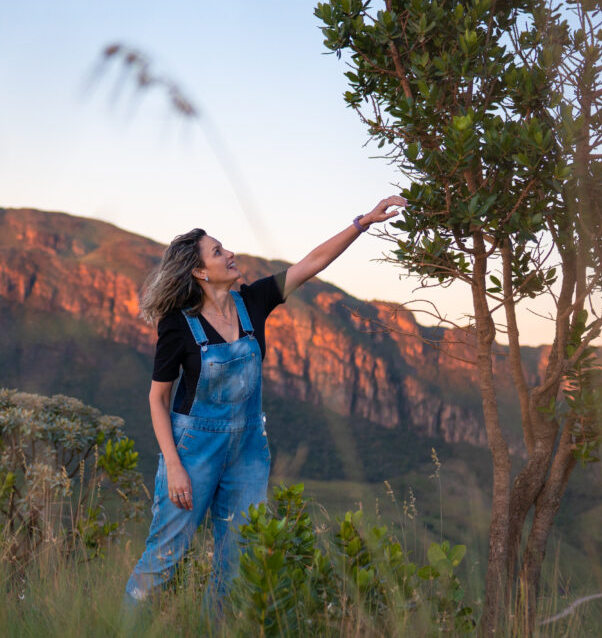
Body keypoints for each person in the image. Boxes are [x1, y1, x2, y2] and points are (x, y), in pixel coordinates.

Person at [124, 196, 407, 614]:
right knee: (165, 556)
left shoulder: (253, 301)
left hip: (248, 451)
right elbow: (157, 397)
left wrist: (363, 222)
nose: (230, 253)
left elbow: (313, 262)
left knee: (238, 559)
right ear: (200, 271)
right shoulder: (177, 325)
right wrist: (175, 466)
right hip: (192, 450)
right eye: (218, 252)